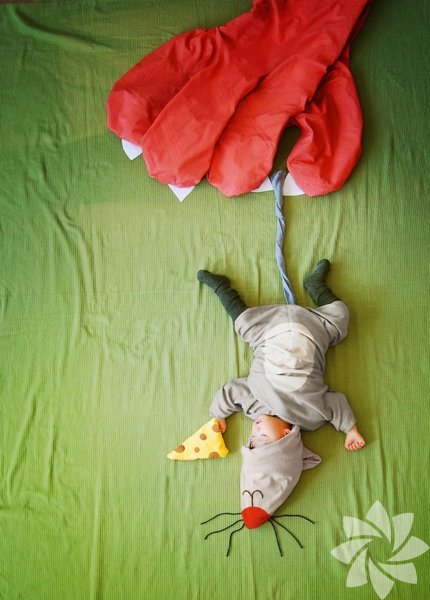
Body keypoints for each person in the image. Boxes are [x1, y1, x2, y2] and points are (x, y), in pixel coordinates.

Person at [197, 259, 365, 452]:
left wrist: (218, 415)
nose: (255, 430)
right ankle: (316, 286)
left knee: (242, 321)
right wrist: (350, 430)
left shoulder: (253, 406)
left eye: (251, 437)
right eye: (262, 436)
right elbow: (336, 406)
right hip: (314, 329)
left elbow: (232, 391)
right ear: (286, 435)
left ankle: (221, 287)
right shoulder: (311, 417)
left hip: (265, 331)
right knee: (341, 315)